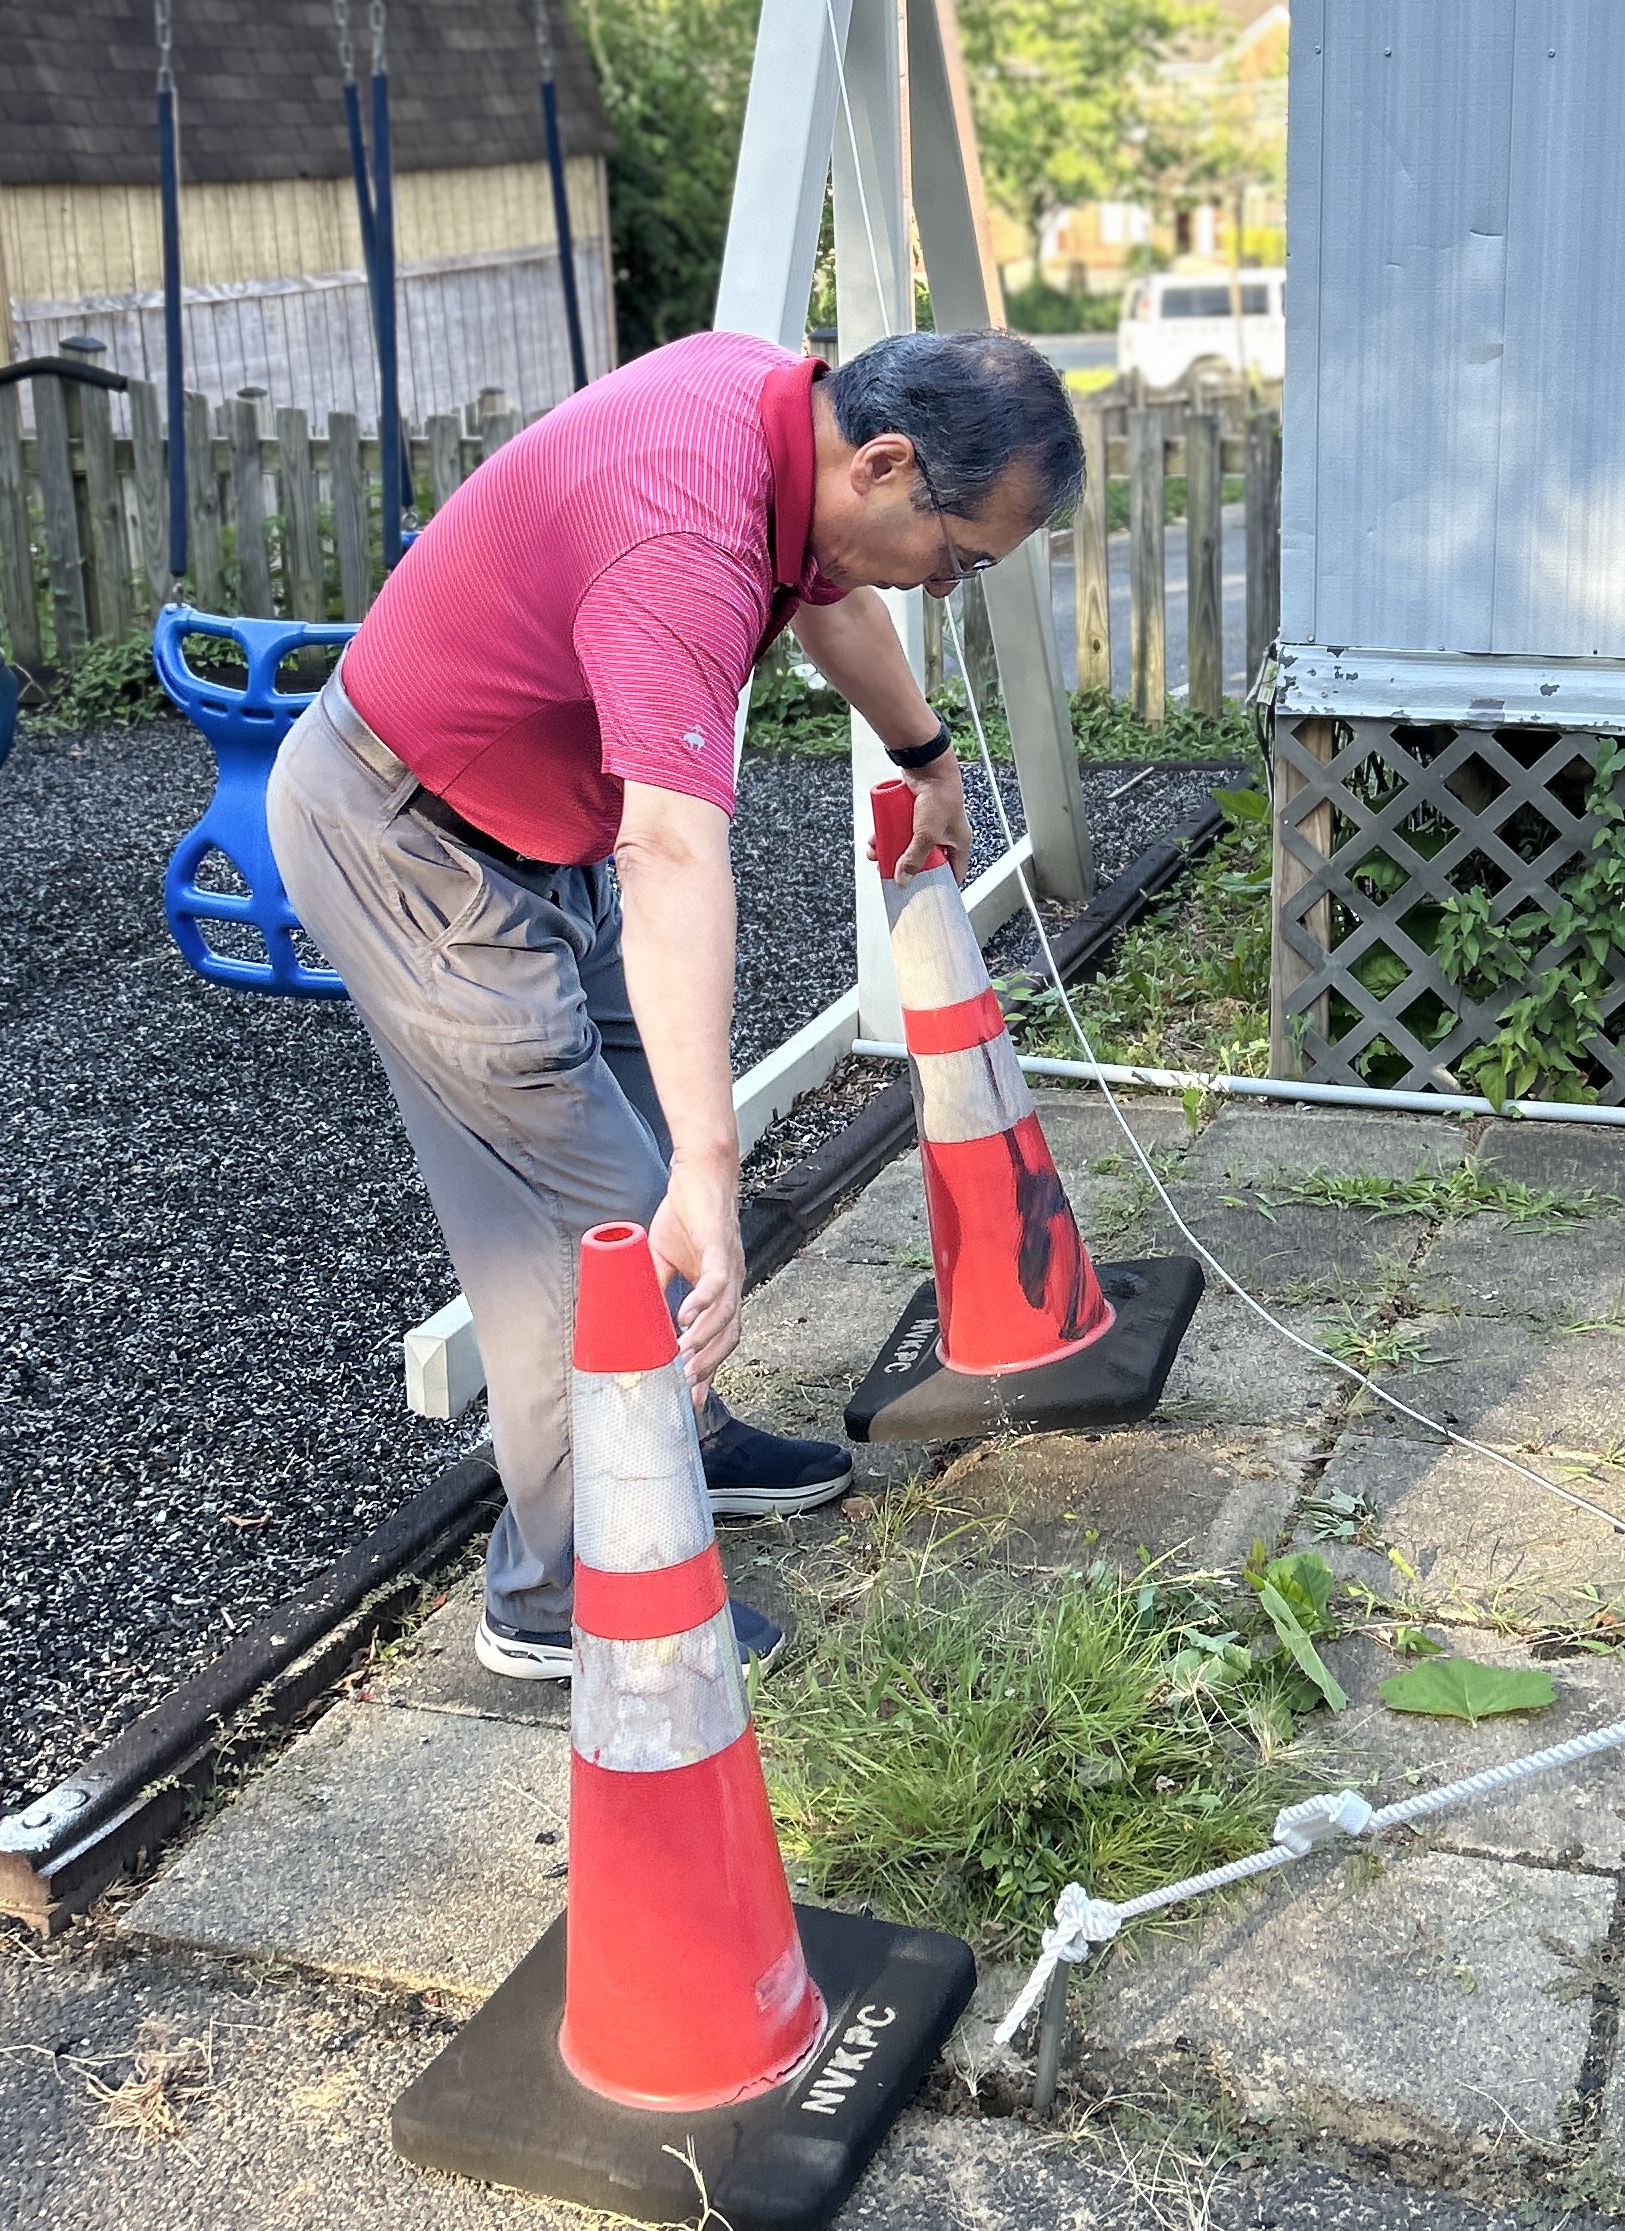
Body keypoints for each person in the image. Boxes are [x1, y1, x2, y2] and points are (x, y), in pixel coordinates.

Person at [268, 322, 1085, 1678]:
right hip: (412, 843)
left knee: (642, 1164)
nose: (947, 587)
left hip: (529, 825)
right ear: (886, 463)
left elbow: (827, 591)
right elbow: (671, 851)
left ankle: (681, 1441)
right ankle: (569, 1598)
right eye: (960, 558)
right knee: (591, 1235)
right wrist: (714, 1166)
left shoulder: (779, 412)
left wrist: (927, 753)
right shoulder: (685, 547)